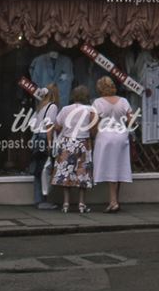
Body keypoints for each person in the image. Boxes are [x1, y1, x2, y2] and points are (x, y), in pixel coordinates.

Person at [51, 85, 97, 214]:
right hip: (83, 143)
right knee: (83, 173)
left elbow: (57, 126)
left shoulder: (66, 109)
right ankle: (81, 204)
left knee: (67, 173)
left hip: (67, 142)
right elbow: (93, 130)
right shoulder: (90, 110)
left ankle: (66, 203)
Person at [92, 76, 134, 213]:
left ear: (100, 88)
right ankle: (115, 200)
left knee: (110, 168)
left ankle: (113, 201)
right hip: (121, 136)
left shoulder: (98, 102)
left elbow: (94, 123)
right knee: (119, 166)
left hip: (105, 137)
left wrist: (93, 135)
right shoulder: (124, 101)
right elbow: (132, 121)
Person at [29, 83, 59, 210]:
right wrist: (50, 144)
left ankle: (38, 199)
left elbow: (32, 124)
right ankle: (43, 200)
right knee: (46, 170)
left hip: (36, 137)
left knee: (38, 170)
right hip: (43, 138)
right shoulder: (52, 107)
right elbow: (49, 127)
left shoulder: (40, 107)